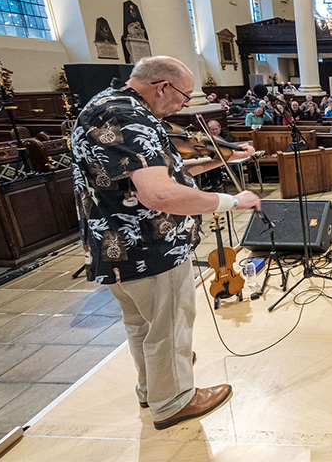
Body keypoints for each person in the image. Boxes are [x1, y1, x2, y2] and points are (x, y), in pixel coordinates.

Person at [70, 56, 261, 430]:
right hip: (149, 246)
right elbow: (159, 195)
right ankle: (174, 401)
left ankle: (150, 389)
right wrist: (233, 201)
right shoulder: (130, 117)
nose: (185, 105)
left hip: (115, 247)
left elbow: (163, 174)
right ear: (162, 87)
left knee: (142, 325)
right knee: (169, 326)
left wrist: (220, 159)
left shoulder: (106, 105)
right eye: (184, 96)